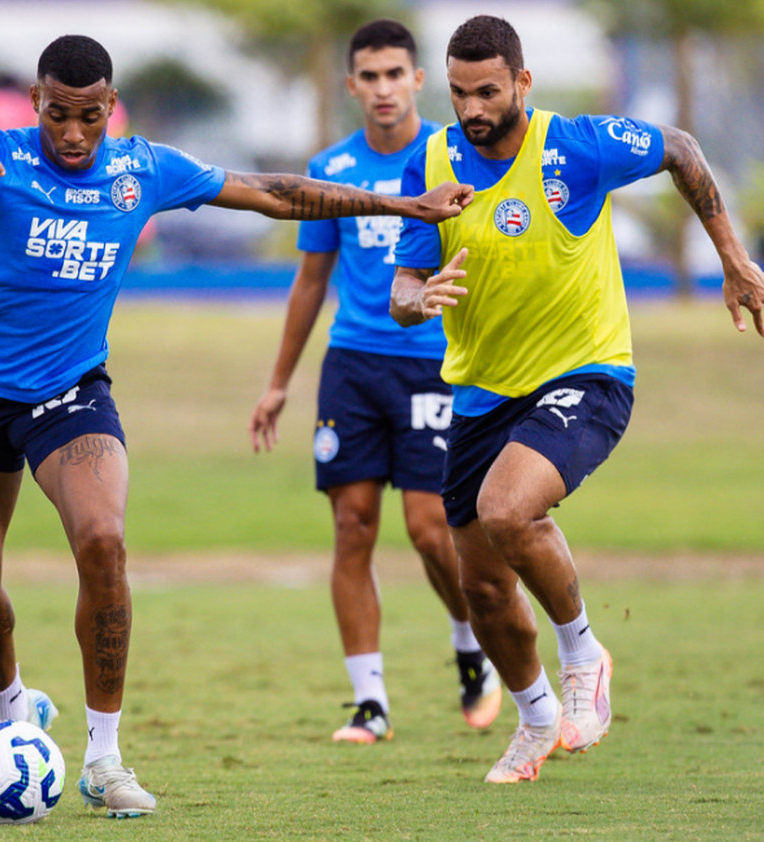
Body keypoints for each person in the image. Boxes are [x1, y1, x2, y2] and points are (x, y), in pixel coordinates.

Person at [0, 34, 471, 818]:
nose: (73, 134)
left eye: (89, 116)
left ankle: (104, 759)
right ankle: (14, 718)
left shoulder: (142, 170)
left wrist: (402, 205)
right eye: (57, 115)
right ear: (36, 103)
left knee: (103, 541)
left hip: (71, 395)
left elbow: (272, 192)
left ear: (110, 106)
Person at [390, 15, 764, 783]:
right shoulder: (429, 164)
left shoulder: (574, 147)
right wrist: (416, 300)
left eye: (488, 91)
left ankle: (584, 654)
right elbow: (404, 284)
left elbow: (681, 149)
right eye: (460, 92)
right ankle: (535, 719)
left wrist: (732, 258)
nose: (472, 108)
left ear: (522, 83)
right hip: (481, 393)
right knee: (482, 586)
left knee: (507, 510)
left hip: (586, 373)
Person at [249, 19, 500, 745]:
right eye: (370, 76)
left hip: (433, 363)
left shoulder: (452, 156)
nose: (384, 88)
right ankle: (369, 702)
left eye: (396, 74)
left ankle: (470, 643)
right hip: (353, 364)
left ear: (418, 81)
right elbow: (310, 281)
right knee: (352, 525)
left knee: (429, 529)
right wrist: (278, 382)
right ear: (351, 85)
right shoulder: (330, 168)